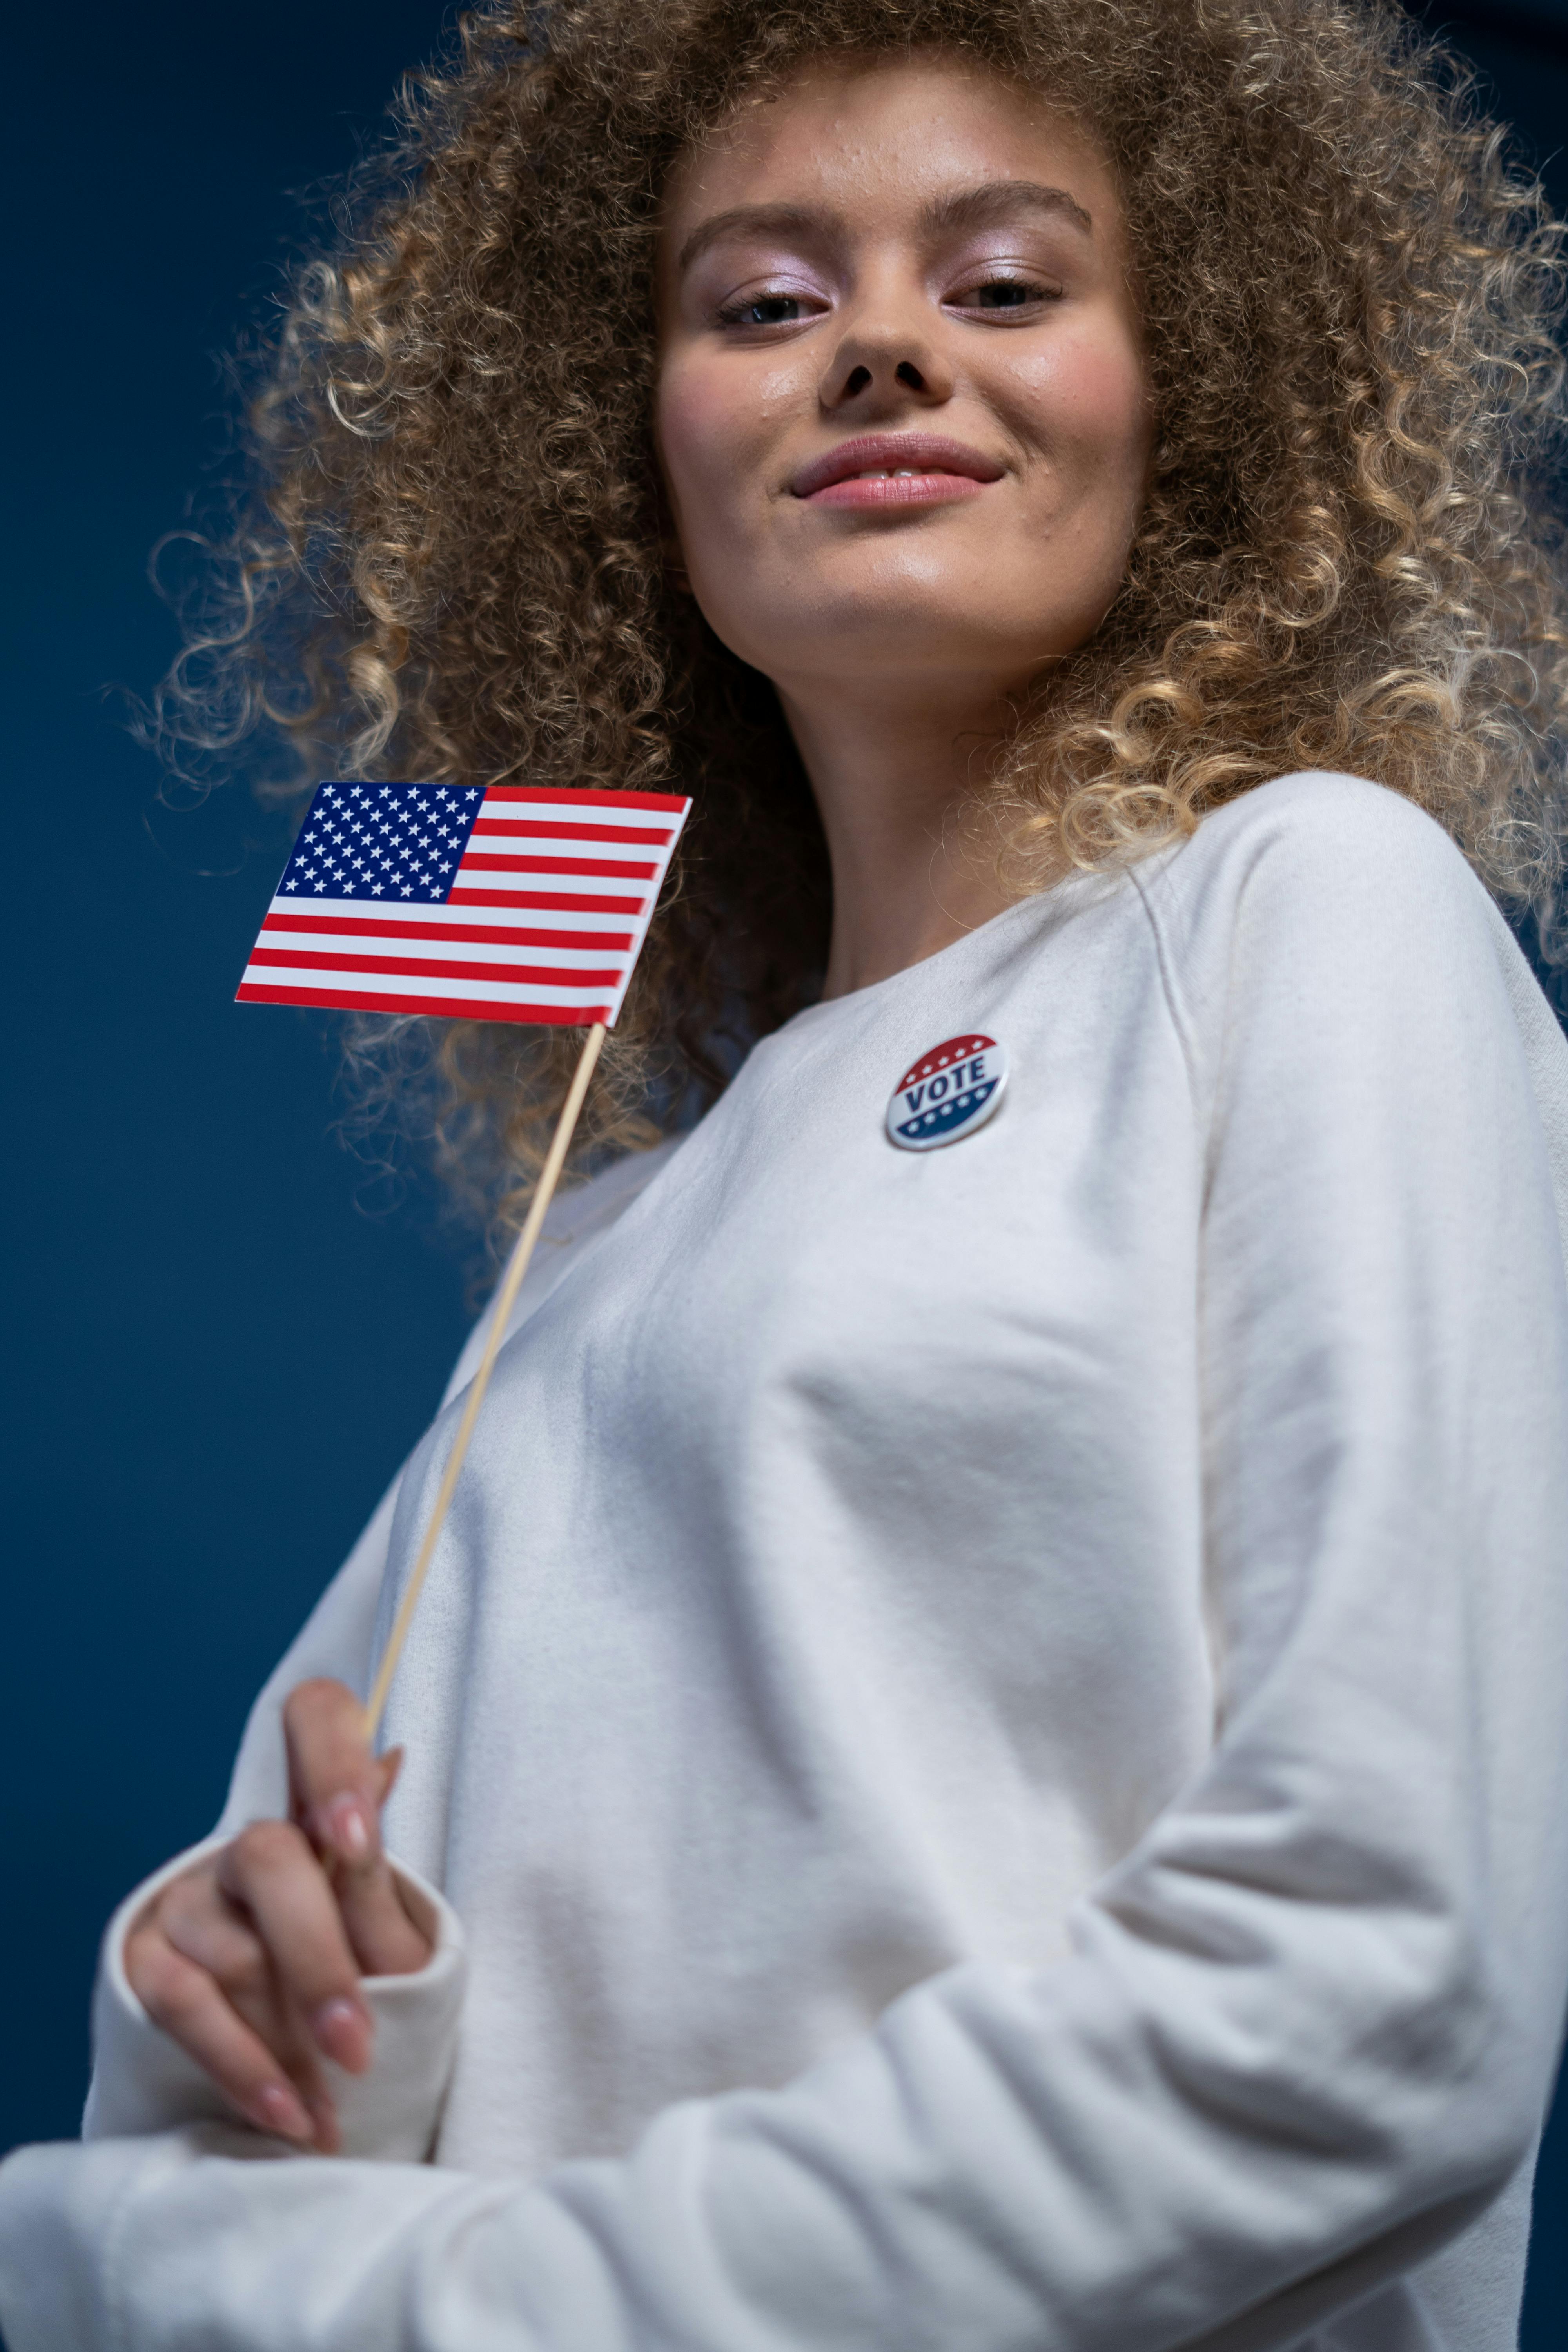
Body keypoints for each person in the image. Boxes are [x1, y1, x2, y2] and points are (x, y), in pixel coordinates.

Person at [4, 0, 1568, 2343]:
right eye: (767, 301)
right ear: (626, 454)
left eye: (1007, 280)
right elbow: (255, 2182)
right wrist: (267, 2007)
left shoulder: (1307, 911)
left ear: (1196, 395)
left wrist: (494, 2304)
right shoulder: (601, 1238)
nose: (882, 352)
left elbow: (1380, 1981)